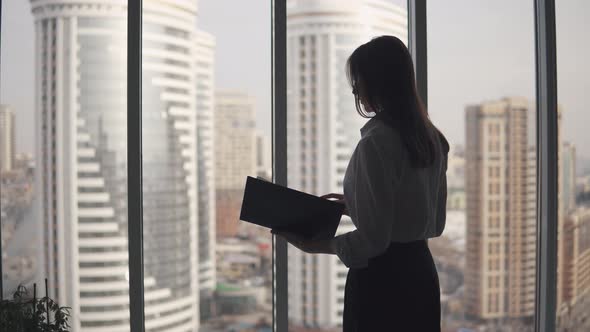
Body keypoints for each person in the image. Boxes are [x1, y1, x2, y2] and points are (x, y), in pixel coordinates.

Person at [272, 35, 449, 331]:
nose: (355, 89)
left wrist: (314, 245)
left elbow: (374, 242)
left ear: (378, 82)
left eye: (359, 80)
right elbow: (432, 221)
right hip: (420, 275)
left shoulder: (376, 143)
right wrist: (357, 207)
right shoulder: (433, 140)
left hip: (382, 284)